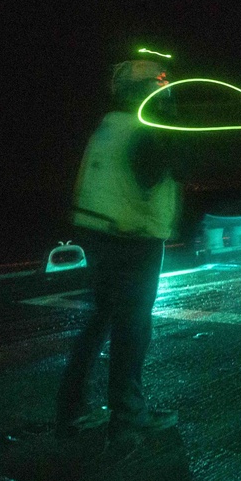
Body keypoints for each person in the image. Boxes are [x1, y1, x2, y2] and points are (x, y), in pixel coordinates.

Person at [56, 58, 181, 441]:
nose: (165, 88)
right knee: (133, 326)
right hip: (132, 236)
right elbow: (156, 173)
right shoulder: (145, 128)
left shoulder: (108, 126)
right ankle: (128, 415)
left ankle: (73, 408)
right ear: (145, 90)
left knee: (102, 319)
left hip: (97, 229)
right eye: (160, 83)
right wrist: (174, 131)